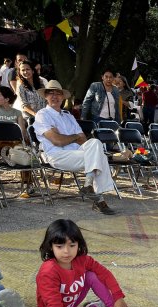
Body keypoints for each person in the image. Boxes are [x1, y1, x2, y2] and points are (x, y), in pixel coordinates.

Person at [33, 80, 117, 215]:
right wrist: (73, 136)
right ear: (46, 97)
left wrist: (64, 136)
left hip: (77, 152)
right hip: (56, 155)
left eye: (58, 93)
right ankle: (99, 199)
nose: (54, 96)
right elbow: (57, 141)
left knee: (95, 143)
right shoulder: (42, 115)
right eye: (51, 93)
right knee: (99, 157)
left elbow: (83, 139)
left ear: (62, 97)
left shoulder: (68, 116)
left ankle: (88, 184)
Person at [36, 219, 131, 307]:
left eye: (72, 245)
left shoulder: (82, 260)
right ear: (50, 247)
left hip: (72, 301)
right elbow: (53, 305)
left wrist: (118, 297)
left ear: (79, 245)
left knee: (92, 275)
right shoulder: (48, 271)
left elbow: (105, 274)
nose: (66, 251)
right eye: (59, 246)